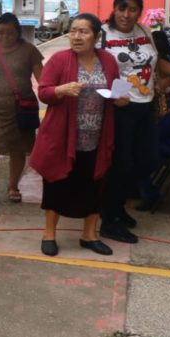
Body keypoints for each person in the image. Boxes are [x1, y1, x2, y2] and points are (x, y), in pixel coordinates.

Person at [30, 14, 126, 257]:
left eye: (83, 31)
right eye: (73, 31)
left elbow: (116, 90)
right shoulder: (59, 60)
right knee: (56, 184)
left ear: (96, 36)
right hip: (63, 136)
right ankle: (49, 234)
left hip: (96, 136)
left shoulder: (108, 60)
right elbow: (44, 92)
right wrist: (60, 90)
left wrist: (121, 99)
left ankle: (89, 235)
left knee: (93, 185)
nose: (76, 36)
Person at [96, 0, 170, 242]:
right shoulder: (102, 35)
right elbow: (91, 69)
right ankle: (110, 219)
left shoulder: (144, 32)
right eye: (121, 8)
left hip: (145, 105)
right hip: (119, 108)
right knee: (120, 164)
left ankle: (115, 206)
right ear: (114, 9)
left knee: (148, 160)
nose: (126, 14)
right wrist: (108, 95)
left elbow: (157, 64)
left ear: (139, 12)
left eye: (132, 9)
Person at [0, 13, 44, 209]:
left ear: (18, 33)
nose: (4, 37)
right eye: (0, 32)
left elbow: (43, 79)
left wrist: (54, 95)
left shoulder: (29, 50)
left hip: (22, 108)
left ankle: (13, 187)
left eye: (10, 33)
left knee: (18, 148)